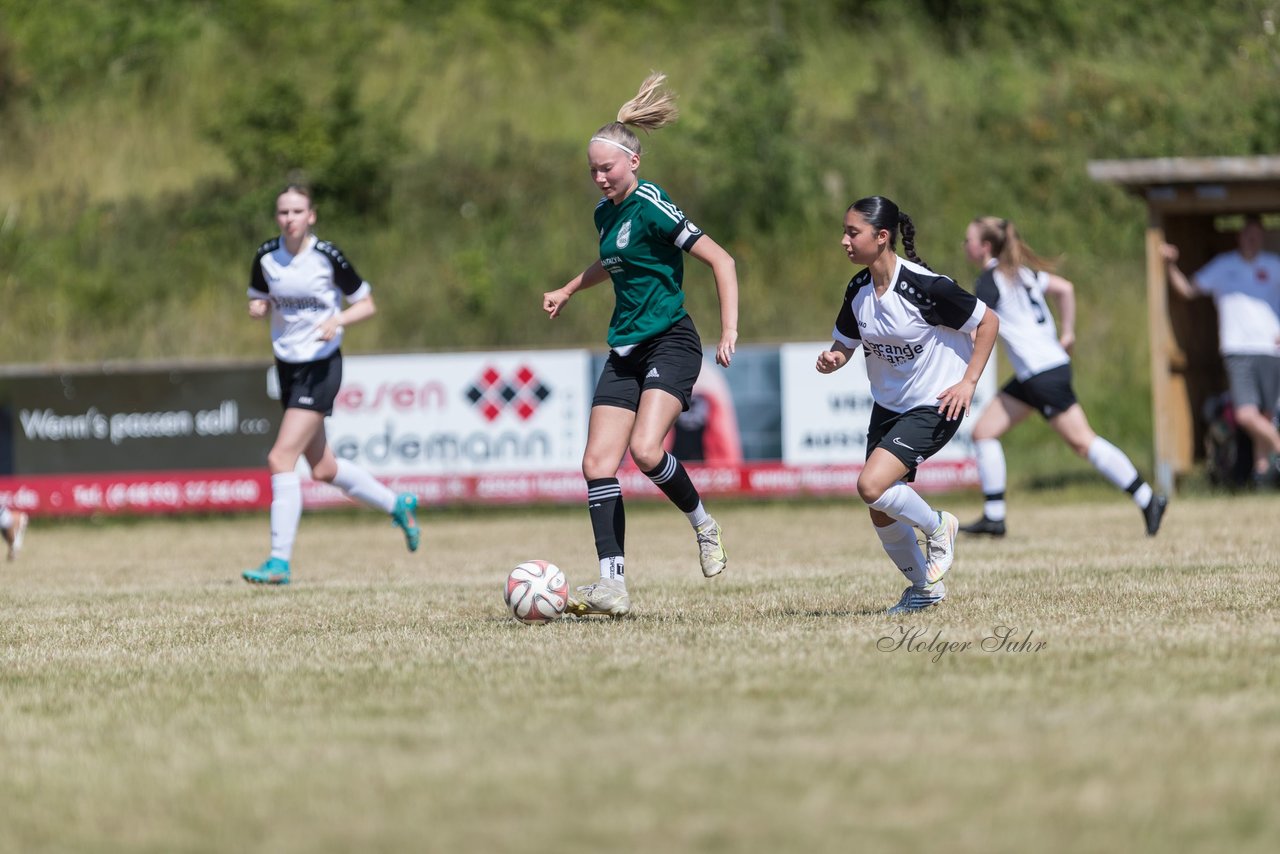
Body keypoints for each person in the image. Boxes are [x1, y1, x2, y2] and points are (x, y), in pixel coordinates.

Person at [542, 72, 739, 618]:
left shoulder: (653, 204)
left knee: (647, 451)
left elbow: (721, 260)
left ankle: (704, 524)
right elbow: (614, 263)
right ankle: (613, 586)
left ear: (633, 162)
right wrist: (568, 289)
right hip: (625, 348)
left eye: (606, 168)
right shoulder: (605, 214)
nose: (599, 178)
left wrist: (729, 330)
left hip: (671, 342)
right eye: (593, 171)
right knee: (596, 464)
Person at [816, 196, 998, 614]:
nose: (844, 240)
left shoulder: (926, 286)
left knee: (870, 486)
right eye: (844, 231)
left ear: (882, 237)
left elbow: (988, 321)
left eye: (852, 232)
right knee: (879, 508)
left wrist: (968, 382)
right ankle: (924, 589)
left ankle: (939, 527)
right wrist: (834, 359)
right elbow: (845, 343)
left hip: (936, 403)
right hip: (888, 405)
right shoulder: (858, 288)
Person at [242, 184, 420, 585]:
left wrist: (336, 320)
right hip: (287, 365)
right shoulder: (266, 257)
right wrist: (258, 307)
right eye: (283, 212)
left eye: (297, 211)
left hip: (321, 366)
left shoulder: (327, 256)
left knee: (280, 459)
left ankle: (278, 563)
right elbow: (258, 298)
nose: (289, 219)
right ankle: (397, 505)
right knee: (323, 468)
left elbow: (366, 303)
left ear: (312, 216)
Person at [959, 217, 1168, 537]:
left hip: (1042, 374)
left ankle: (1147, 498)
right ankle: (994, 517)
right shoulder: (1021, 273)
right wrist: (1067, 332)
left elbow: (978, 331)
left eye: (968, 240)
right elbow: (1065, 288)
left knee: (1084, 442)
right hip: (1039, 371)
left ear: (985, 247)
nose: (965, 246)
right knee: (984, 432)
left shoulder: (988, 281)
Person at [1161, 215, 1280, 487]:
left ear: (1262, 238)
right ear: (1240, 237)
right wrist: (1169, 265)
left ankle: (1261, 479)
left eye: (1257, 235)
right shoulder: (1224, 266)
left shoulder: (1274, 265)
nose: (1252, 239)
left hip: (1271, 350)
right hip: (1238, 348)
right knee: (1245, 415)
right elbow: (1188, 289)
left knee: (1265, 417)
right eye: (1248, 234)